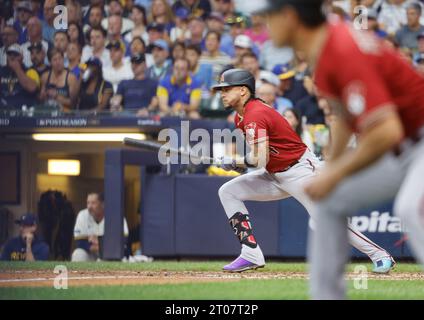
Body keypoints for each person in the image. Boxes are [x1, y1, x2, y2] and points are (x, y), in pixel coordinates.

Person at [258, 0, 424, 299]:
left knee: (411, 208)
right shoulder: (322, 54)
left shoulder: (341, 48)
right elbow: (343, 121)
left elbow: (386, 131)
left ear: (290, 16)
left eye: (269, 16)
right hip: (405, 147)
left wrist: (334, 175)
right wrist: (330, 169)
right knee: (328, 204)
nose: (266, 25)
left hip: (415, 139)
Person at [212, 68, 395, 273]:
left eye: (227, 89)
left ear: (243, 91)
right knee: (228, 191)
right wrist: (238, 164)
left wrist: (237, 161)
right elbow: (262, 157)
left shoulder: (255, 113)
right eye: (222, 89)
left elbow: (261, 158)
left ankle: (380, 255)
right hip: (274, 173)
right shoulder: (241, 116)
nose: (222, 93)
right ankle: (250, 253)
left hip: (299, 170)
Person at [71, 192, 129, 262]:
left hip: (111, 254)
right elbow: (80, 242)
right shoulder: (82, 215)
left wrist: (97, 240)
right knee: (78, 254)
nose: (89, 207)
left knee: (122, 259)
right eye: (88, 203)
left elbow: (123, 240)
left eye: (93, 203)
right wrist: (104, 243)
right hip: (90, 253)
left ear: (103, 204)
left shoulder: (116, 215)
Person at [0, 44, 40, 109]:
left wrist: (17, 69)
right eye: (10, 54)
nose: (12, 57)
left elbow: (32, 89)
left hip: (23, 110)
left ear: (22, 57)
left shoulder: (30, 71)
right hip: (4, 110)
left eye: (15, 55)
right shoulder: (1, 71)